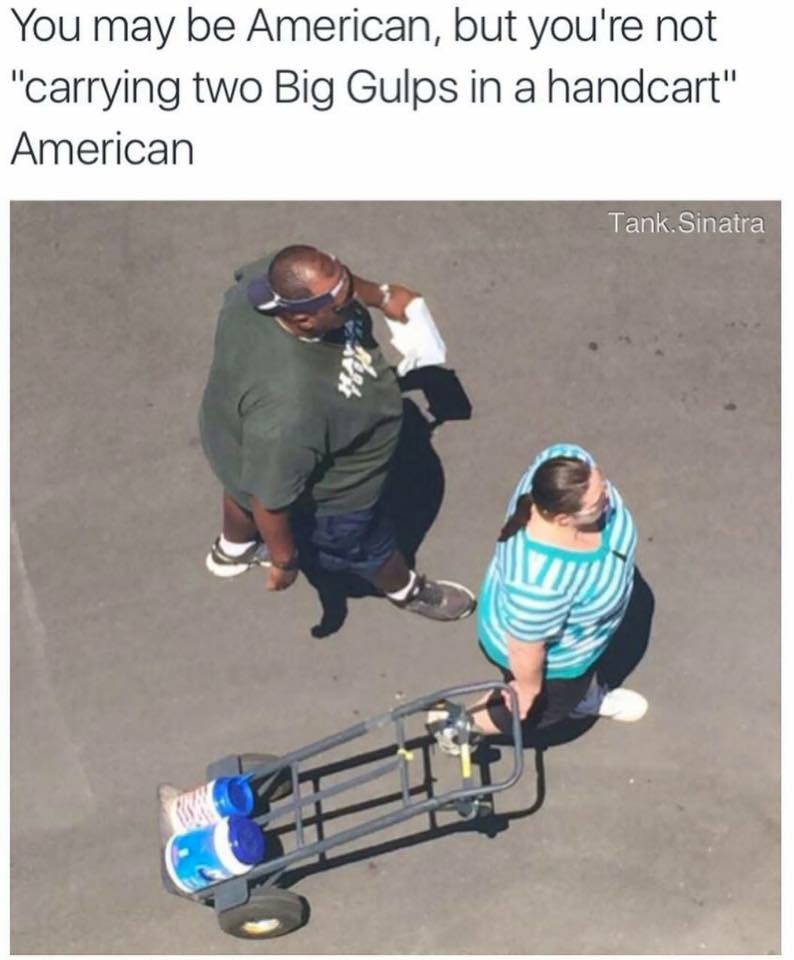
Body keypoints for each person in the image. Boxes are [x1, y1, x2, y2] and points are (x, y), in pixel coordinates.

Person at [198, 244, 475, 622]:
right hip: (338, 498)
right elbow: (269, 499)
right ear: (304, 319)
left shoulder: (272, 281)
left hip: (237, 442)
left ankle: (232, 551)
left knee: (239, 486)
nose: (354, 302)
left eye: (347, 281)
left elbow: (257, 483)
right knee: (367, 546)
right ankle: (405, 589)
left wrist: (381, 295)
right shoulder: (290, 408)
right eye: (343, 304)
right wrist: (284, 560)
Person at [428, 443, 647, 752]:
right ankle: (461, 725)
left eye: (603, 482)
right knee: (533, 712)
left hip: (583, 641)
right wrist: (528, 690)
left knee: (578, 679)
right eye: (598, 501)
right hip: (552, 661)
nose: (608, 496)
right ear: (563, 519)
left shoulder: (567, 464)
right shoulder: (539, 582)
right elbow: (525, 647)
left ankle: (585, 693)